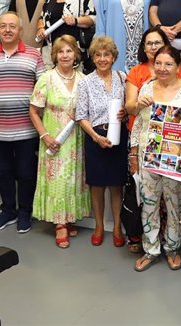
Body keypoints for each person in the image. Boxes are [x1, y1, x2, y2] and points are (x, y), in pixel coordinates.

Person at [130, 45, 181, 272]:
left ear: (177, 67)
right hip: (148, 155)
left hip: (176, 158)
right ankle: (151, 249)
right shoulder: (146, 88)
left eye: (168, 64)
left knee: (175, 204)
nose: (162, 68)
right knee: (149, 203)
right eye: (159, 63)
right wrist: (133, 153)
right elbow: (139, 124)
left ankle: (172, 248)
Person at [0, 11, 45, 233]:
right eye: (3, 26)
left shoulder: (35, 55)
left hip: (27, 130)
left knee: (25, 173)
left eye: (12, 26)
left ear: (20, 30)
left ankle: (24, 212)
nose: (7, 30)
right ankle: (8, 211)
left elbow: (43, 92)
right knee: (3, 173)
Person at [30, 35, 90, 248]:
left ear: (76, 54)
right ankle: (60, 224)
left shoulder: (84, 80)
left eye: (69, 50)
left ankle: (66, 217)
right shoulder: (46, 78)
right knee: (58, 181)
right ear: (54, 55)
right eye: (60, 51)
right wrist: (45, 136)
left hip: (76, 141)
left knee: (73, 179)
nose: (65, 55)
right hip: (53, 140)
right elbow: (34, 111)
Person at [75, 36, 128, 247]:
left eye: (107, 54)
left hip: (118, 136)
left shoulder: (123, 77)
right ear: (93, 57)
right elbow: (81, 115)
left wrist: (125, 114)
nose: (103, 59)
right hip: (95, 137)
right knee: (96, 186)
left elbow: (129, 107)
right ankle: (98, 226)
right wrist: (96, 137)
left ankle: (116, 227)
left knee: (116, 186)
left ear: (114, 57)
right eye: (98, 55)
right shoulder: (86, 82)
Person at [36, 0, 96, 71]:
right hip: (50, 51)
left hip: (73, 51)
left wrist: (76, 20)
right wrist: (40, 28)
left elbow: (92, 19)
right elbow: (42, 16)